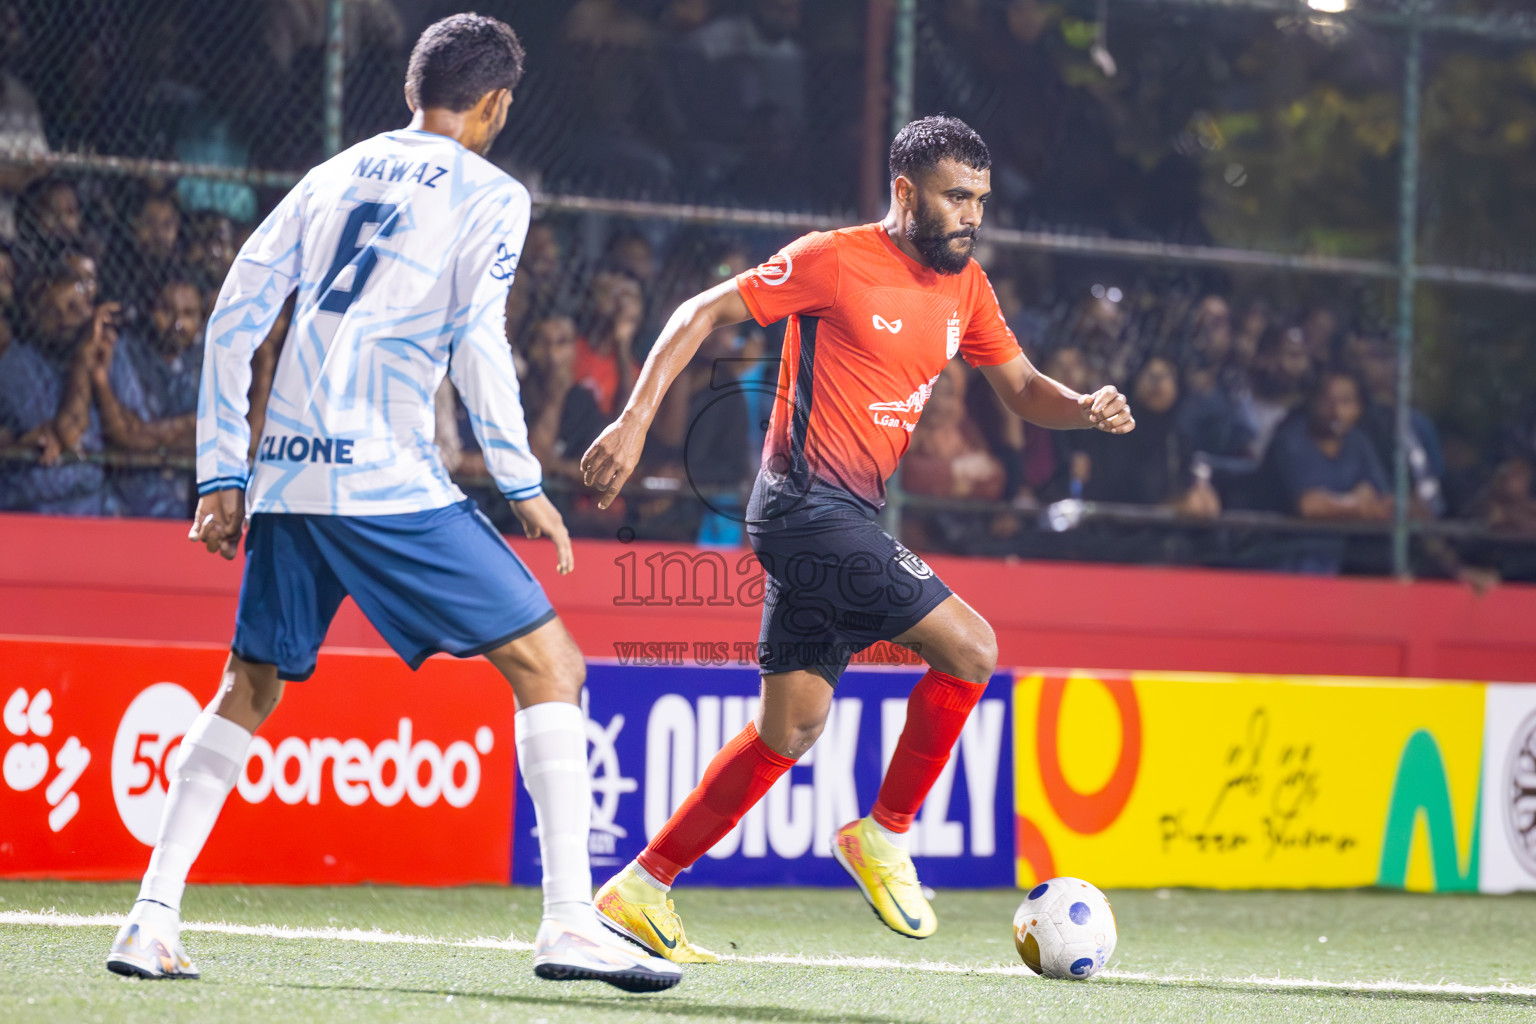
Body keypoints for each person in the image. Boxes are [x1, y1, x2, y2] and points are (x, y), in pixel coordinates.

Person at [104, 14, 680, 994]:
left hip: (288, 473)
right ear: (496, 104)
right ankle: (571, 922)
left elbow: (234, 314)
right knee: (551, 662)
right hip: (384, 477)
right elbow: (476, 338)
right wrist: (522, 479)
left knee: (248, 688)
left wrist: (220, 474)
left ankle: (150, 917)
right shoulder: (493, 193)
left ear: (413, 91)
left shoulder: (331, 175)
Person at [579, 116, 1133, 962]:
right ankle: (885, 833)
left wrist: (1083, 404)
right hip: (803, 508)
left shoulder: (968, 288)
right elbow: (699, 312)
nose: (970, 215)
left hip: (845, 519)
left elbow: (1021, 389)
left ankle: (642, 885)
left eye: (979, 200)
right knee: (972, 649)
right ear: (905, 193)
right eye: (955, 197)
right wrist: (632, 421)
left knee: (790, 729)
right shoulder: (833, 259)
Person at [0, 266, 113, 514]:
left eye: (74, 308)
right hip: (39, 509)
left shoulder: (107, 350)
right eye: (53, 312)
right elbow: (69, 435)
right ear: (34, 316)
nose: (64, 320)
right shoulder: (16, 367)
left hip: (96, 507)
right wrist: (82, 361)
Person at [92, 274, 204, 518]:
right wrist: (189, 427)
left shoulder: (203, 360)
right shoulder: (124, 354)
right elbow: (126, 433)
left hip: (183, 508)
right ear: (149, 310)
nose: (178, 324)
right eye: (167, 311)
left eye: (189, 314)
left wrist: (150, 435)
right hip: (125, 506)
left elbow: (211, 435)